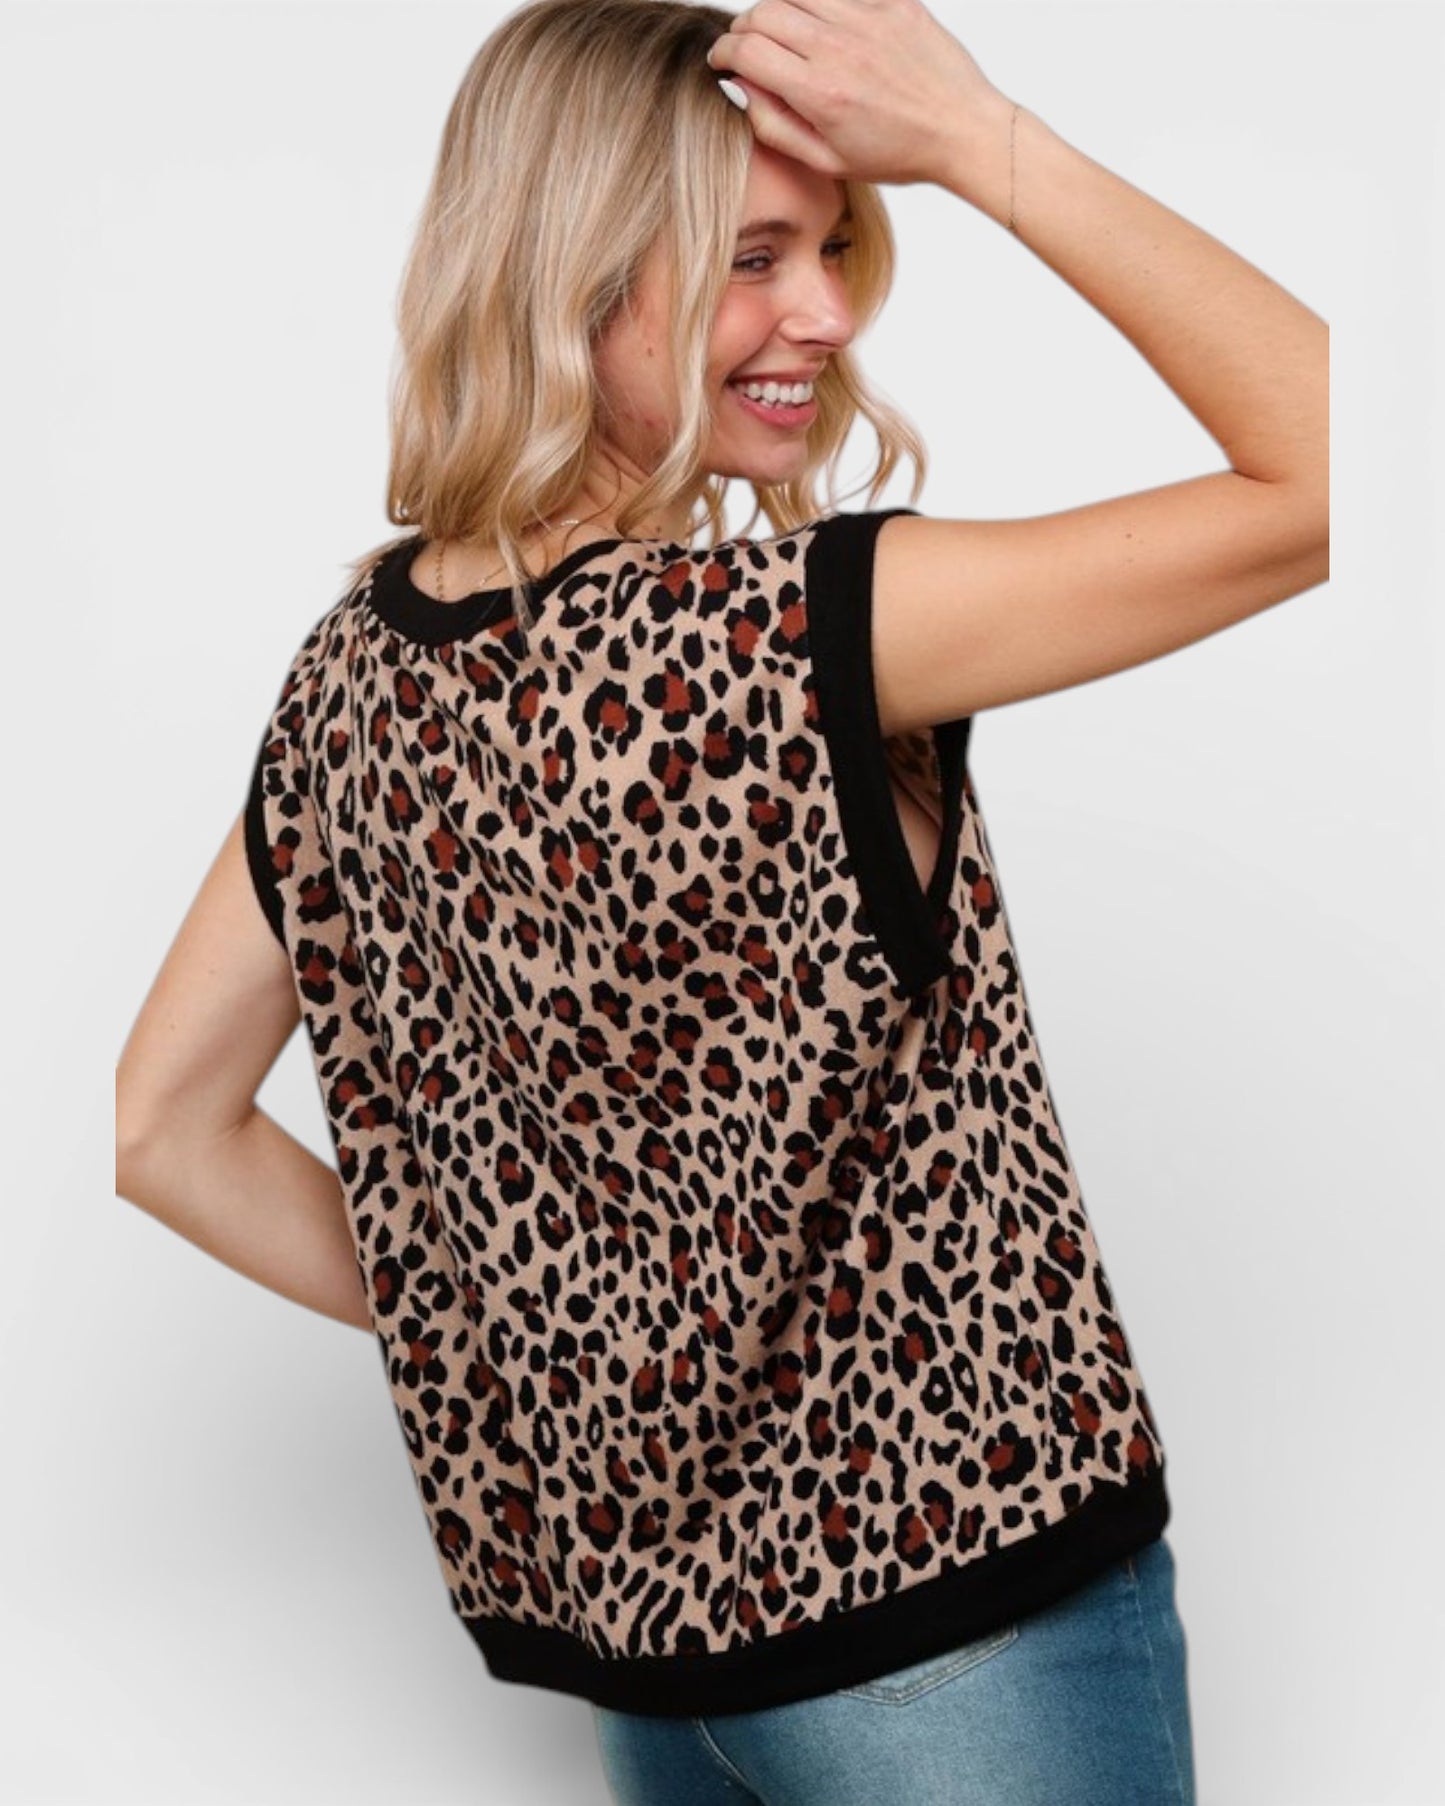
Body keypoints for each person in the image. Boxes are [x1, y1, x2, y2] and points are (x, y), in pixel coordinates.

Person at [114, 0, 1327, 1800]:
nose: (829, 314)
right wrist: (985, 139)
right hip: (960, 1619)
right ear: (567, 269)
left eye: (838, 243)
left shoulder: (347, 686)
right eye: (752, 255)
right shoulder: (804, 632)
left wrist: (505, 1321)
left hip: (660, 1676)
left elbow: (163, 1131)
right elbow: (1342, 465)